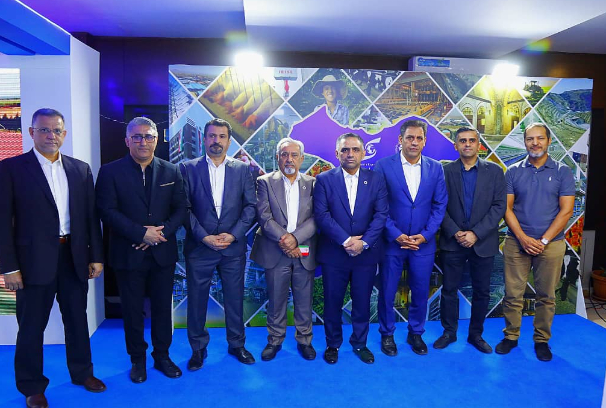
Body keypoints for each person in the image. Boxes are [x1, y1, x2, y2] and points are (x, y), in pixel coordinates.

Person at [0, 108, 106, 408]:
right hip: (31, 262)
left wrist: (96, 256)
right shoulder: (10, 169)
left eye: (57, 130)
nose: (51, 136)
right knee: (31, 327)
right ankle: (32, 386)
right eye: (44, 130)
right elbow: (2, 221)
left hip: (74, 256)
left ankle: (83, 373)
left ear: (64, 134)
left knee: (77, 320)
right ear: (31, 132)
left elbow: (90, 218)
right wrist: (8, 267)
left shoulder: (80, 169)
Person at [96, 117, 187, 383]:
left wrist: (158, 234)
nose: (143, 142)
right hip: (127, 253)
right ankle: (137, 360)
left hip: (162, 253)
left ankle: (162, 356)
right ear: (127, 141)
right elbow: (106, 211)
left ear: (156, 140)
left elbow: (181, 209)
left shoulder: (172, 171)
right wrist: (140, 233)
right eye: (137, 137)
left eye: (148, 136)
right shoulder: (110, 172)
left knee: (162, 309)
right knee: (132, 311)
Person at [180, 118, 256, 368]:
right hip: (200, 247)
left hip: (232, 248)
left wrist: (233, 235)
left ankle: (237, 345)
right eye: (212, 136)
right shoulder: (187, 169)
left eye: (222, 136)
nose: (216, 141)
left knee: (235, 299)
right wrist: (204, 236)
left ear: (229, 141)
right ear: (204, 139)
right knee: (197, 300)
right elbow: (183, 208)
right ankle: (198, 349)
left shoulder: (242, 169)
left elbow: (250, 207)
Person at [496, 123, 574, 361]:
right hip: (516, 243)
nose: (535, 143)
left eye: (540, 138)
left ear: (549, 141)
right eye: (530, 139)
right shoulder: (512, 171)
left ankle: (541, 341)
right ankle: (511, 337)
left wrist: (543, 240)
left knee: (546, 296)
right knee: (512, 294)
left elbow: (566, 211)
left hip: (551, 245)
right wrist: (523, 238)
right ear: (525, 142)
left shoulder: (563, 171)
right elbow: (506, 208)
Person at [374, 119, 447, 356]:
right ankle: (387, 334)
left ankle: (416, 333)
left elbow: (440, 205)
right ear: (400, 140)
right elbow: (379, 205)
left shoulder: (435, 168)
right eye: (409, 138)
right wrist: (396, 235)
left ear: (425, 141)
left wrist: (425, 236)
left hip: (423, 245)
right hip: (392, 243)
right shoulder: (384, 166)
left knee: (420, 290)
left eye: (419, 138)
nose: (414, 142)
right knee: (387, 292)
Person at [314, 133, 388, 364]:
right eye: (345, 150)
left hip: (365, 255)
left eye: (355, 149)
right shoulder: (324, 179)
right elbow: (322, 215)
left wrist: (363, 243)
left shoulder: (376, 179)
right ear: (337, 154)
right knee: (332, 302)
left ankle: (360, 344)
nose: (350, 154)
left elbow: (381, 215)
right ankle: (333, 344)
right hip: (334, 254)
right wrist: (347, 241)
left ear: (363, 153)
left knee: (362, 303)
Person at [434, 127, 506, 353]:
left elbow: (499, 206)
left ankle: (476, 335)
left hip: (483, 242)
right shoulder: (444, 171)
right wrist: (456, 232)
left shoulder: (495, 171)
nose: (467, 144)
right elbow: (438, 205)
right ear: (455, 145)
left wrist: (476, 233)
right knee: (449, 290)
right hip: (452, 242)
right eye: (462, 140)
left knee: (482, 291)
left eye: (472, 140)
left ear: (478, 145)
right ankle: (449, 332)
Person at [250, 138, 318, 361]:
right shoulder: (264, 182)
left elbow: (317, 218)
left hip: (303, 250)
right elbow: (264, 217)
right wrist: (285, 240)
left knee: (304, 299)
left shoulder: (313, 183)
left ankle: (305, 340)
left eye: (294, 155)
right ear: (277, 158)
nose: (289, 159)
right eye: (284, 155)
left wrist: (296, 240)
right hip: (275, 250)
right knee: (276, 299)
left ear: (302, 158)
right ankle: (275, 340)